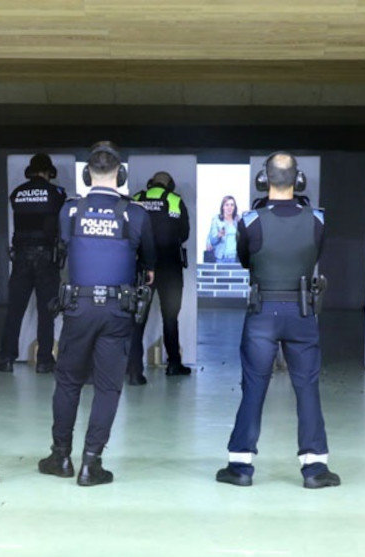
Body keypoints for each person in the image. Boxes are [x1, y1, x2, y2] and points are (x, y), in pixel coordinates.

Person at [216, 152, 340, 489]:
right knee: (307, 387)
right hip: (302, 312)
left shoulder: (251, 221)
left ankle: (240, 466)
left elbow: (245, 259)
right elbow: (316, 253)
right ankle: (314, 468)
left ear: (264, 180)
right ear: (299, 180)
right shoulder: (317, 220)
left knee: (254, 387)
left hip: (262, 313)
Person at [37, 141, 156, 486]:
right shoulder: (135, 214)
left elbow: (64, 248)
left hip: (78, 307)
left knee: (68, 381)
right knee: (107, 387)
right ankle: (92, 463)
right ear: (121, 175)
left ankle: (61, 457)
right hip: (118, 310)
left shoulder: (69, 212)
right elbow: (148, 266)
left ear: (88, 175)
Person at [0, 153, 67, 374]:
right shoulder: (57, 193)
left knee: (15, 310)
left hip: (21, 257)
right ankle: (44, 360)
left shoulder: (17, 193)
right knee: (47, 311)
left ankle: (6, 358)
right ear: (49, 172)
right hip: (46, 257)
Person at [126, 171, 192, 385]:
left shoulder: (136, 199)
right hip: (170, 266)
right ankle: (173, 364)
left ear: (150, 183)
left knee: (137, 318)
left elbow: (127, 230)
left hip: (142, 266)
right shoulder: (175, 200)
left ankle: (134, 370)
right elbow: (184, 234)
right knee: (170, 317)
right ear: (169, 185)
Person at [206, 196, 239, 262]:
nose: (229, 207)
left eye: (232, 205)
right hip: (221, 257)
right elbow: (212, 241)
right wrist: (218, 235)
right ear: (223, 207)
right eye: (227, 205)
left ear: (234, 207)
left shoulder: (238, 220)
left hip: (236, 257)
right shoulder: (216, 220)